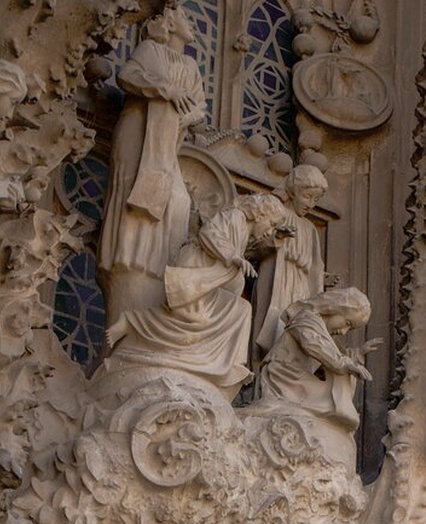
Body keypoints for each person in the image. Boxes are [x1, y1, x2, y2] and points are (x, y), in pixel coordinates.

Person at [102, 194, 287, 401]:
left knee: (241, 310)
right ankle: (133, 322)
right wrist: (234, 257)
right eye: (271, 224)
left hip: (208, 278)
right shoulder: (235, 217)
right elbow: (209, 233)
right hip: (197, 266)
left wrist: (256, 251)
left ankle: (230, 366)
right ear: (261, 214)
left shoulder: (243, 229)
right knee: (193, 315)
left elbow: (242, 252)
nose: (269, 231)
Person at [98, 5, 206, 322]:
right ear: (169, 24)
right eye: (187, 16)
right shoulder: (150, 49)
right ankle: (129, 256)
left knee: (178, 199)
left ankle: (161, 266)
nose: (193, 23)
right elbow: (127, 75)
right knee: (134, 198)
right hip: (138, 133)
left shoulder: (190, 65)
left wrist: (180, 117)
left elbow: (199, 107)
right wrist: (165, 90)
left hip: (168, 141)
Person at [259, 287, 376, 431]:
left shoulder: (322, 330)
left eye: (350, 329)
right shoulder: (306, 318)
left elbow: (332, 354)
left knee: (338, 387)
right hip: (282, 374)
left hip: (296, 376)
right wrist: (344, 364)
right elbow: (314, 345)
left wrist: (356, 355)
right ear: (335, 308)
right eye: (347, 323)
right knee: (330, 398)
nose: (344, 331)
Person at [251, 164, 328, 355]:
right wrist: (275, 239)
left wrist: (323, 282)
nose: (311, 204)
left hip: (301, 287)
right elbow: (250, 250)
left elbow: (315, 267)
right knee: (269, 328)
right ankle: (261, 375)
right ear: (294, 192)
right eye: (307, 197)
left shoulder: (310, 228)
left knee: (295, 334)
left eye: (316, 199)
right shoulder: (277, 214)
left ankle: (286, 376)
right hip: (275, 278)